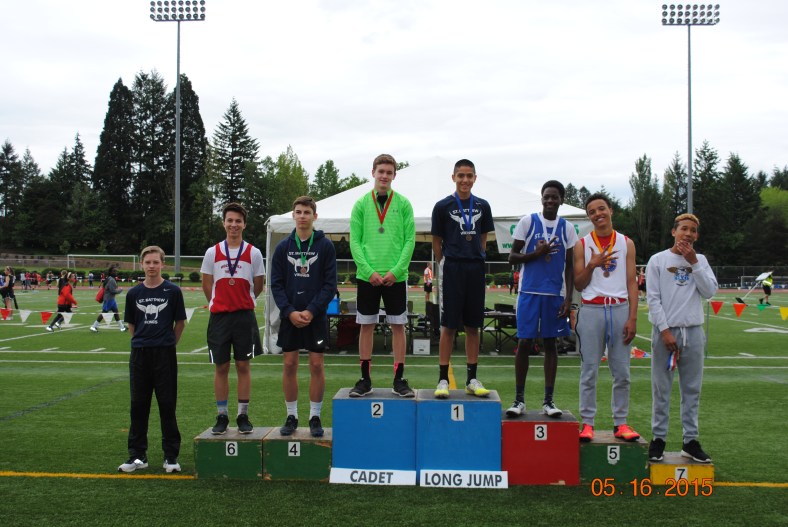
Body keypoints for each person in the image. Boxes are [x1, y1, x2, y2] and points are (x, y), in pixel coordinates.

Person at [646, 213, 717, 463]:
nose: (688, 234)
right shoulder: (657, 260)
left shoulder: (701, 260)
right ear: (674, 232)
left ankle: (690, 441)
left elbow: (709, 291)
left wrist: (694, 263)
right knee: (661, 388)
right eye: (684, 228)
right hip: (665, 332)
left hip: (693, 332)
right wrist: (664, 331)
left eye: (693, 230)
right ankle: (658, 439)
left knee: (692, 389)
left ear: (697, 235)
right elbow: (653, 299)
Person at [505, 180, 577, 418]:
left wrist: (568, 298)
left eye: (554, 197)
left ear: (561, 200)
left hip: (554, 294)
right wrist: (536, 254)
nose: (549, 201)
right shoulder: (528, 221)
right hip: (528, 292)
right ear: (541, 198)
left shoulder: (567, 227)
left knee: (550, 345)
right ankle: (519, 400)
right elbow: (512, 258)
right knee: (524, 343)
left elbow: (570, 266)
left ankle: (548, 401)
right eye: (546, 196)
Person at [573, 193, 640, 442]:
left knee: (622, 371)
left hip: (620, 308)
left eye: (601, 209)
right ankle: (587, 423)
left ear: (610, 210)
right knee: (589, 370)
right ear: (589, 217)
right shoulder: (583, 243)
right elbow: (579, 284)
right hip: (591, 309)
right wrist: (592, 264)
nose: (598, 214)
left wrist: (632, 317)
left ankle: (620, 423)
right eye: (592, 211)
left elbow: (631, 282)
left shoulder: (626, 243)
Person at [349, 153, 416, 398]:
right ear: (373, 173)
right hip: (368, 277)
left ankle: (399, 379)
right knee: (365, 327)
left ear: (394, 175)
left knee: (398, 326)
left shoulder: (404, 204)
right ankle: (365, 379)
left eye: (389, 172)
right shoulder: (360, 205)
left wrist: (396, 271)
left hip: (395, 277)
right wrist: (369, 272)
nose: (385, 176)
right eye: (381, 171)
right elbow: (355, 242)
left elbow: (410, 241)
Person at [271, 196, 337, 438]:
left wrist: (311, 310)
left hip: (315, 316)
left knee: (316, 365)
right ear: (293, 215)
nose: (302, 216)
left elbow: (330, 285)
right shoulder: (283, 247)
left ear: (314, 216)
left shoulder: (325, 246)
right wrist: (289, 311)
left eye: (307, 212)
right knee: (289, 364)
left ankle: (315, 416)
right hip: (290, 316)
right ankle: (291, 415)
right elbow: (276, 284)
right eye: (298, 211)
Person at [118, 246, 187, 474]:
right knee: (138, 405)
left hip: (164, 354)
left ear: (162, 264)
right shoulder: (133, 294)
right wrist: (143, 341)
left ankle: (170, 456)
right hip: (140, 354)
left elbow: (179, 323)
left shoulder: (173, 291)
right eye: (147, 262)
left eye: (155, 262)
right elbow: (132, 325)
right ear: (141, 264)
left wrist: (167, 343)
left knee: (167, 404)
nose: (151, 266)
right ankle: (137, 456)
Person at [431, 159, 495, 399]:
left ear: (475, 178)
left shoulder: (483, 205)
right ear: (453, 177)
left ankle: (471, 378)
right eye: (461, 175)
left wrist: (476, 256)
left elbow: (483, 237)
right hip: (453, 268)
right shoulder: (443, 206)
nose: (465, 180)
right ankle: (442, 379)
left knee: (472, 325)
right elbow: (437, 242)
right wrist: (446, 262)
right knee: (448, 326)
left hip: (475, 269)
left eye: (469, 176)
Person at [201, 202, 265, 435]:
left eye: (238, 221)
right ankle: (221, 415)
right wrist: (218, 303)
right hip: (219, 318)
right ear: (224, 223)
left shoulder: (253, 252)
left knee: (243, 365)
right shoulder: (212, 252)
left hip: (244, 317)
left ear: (244, 224)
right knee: (221, 366)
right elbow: (207, 284)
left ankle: (242, 414)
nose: (234, 225)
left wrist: (242, 301)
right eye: (230, 220)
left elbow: (258, 285)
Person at [90, 266, 126, 332]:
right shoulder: (111, 280)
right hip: (109, 299)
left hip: (111, 299)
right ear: (110, 272)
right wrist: (120, 290)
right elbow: (112, 291)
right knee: (104, 313)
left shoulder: (110, 278)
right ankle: (93, 326)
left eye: (116, 271)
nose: (115, 272)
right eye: (114, 271)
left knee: (116, 313)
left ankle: (122, 327)